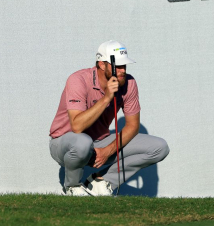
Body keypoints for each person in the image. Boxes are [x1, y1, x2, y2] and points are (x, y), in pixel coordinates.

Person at [49, 40, 170, 196]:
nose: (122, 71)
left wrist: (107, 151)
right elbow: (77, 126)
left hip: (99, 142)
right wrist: (106, 98)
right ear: (102, 64)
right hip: (64, 142)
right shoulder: (78, 80)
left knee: (159, 147)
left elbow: (132, 126)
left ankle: (101, 182)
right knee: (82, 142)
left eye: (124, 66)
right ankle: (73, 187)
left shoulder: (129, 83)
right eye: (118, 66)